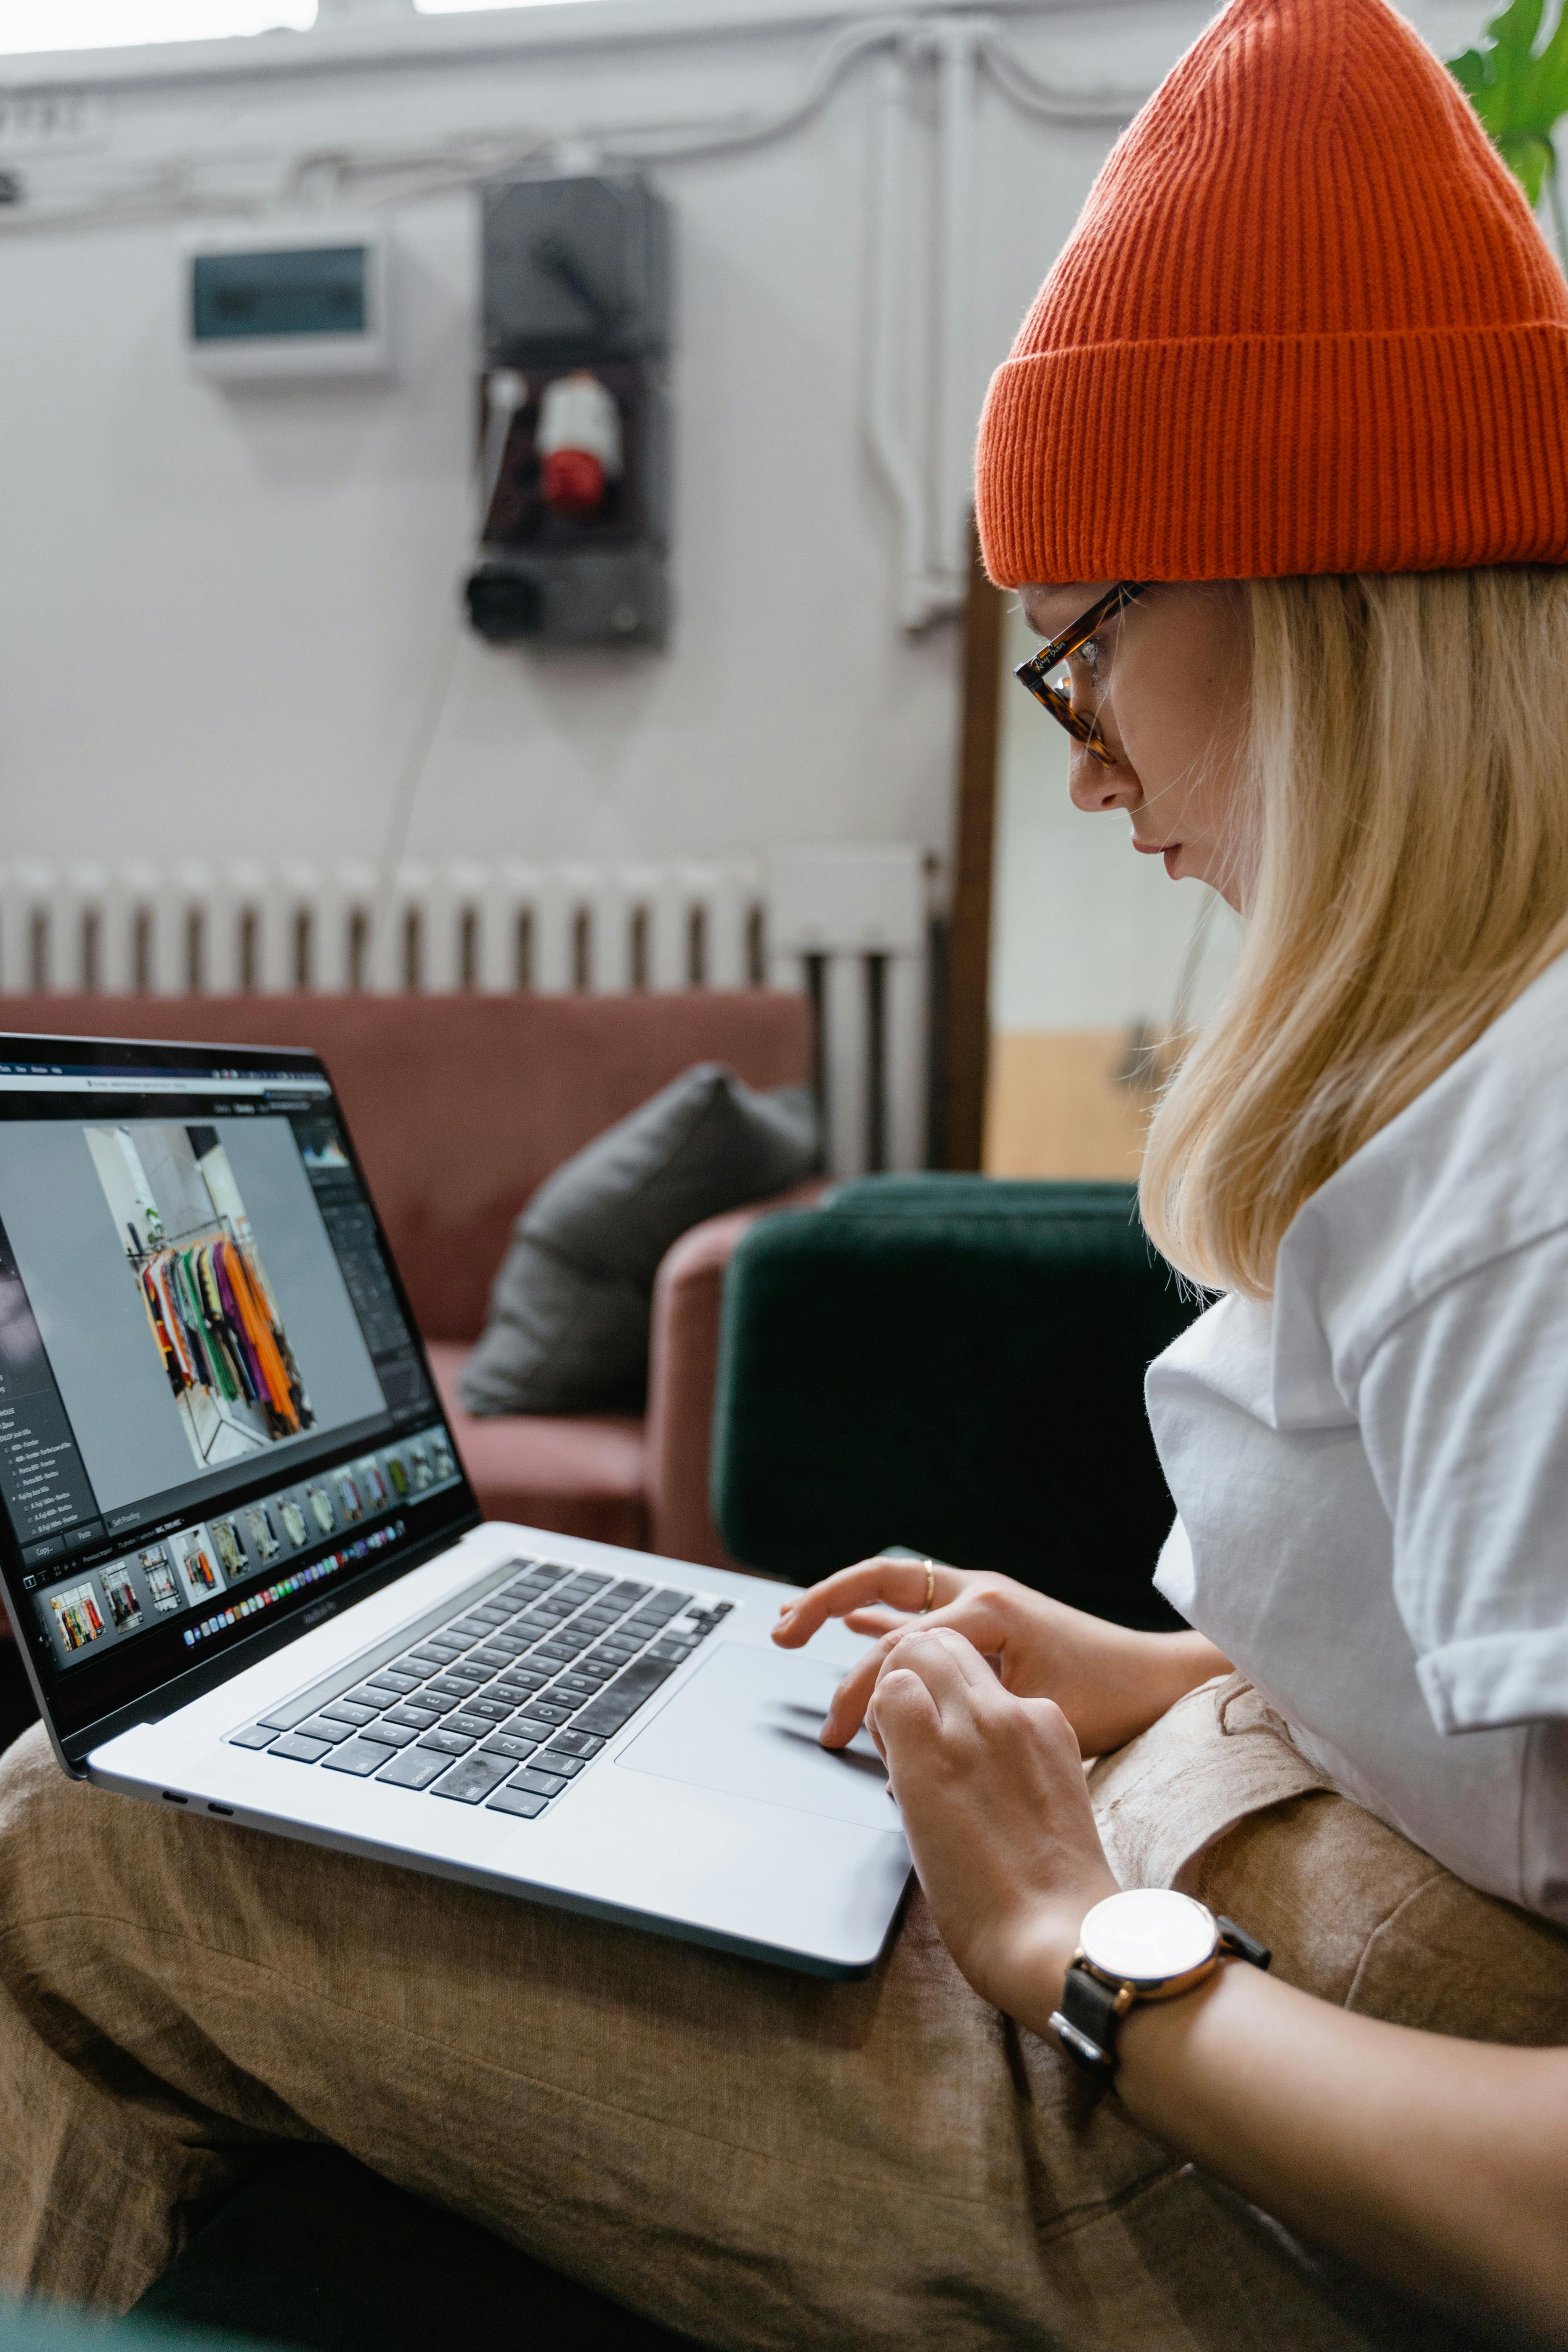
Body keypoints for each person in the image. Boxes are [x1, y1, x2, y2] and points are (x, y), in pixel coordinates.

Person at [3, 0, 1568, 2344]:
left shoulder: (1529, 1173)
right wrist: (1138, 1676)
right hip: (1183, 1943)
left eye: (1086, 652)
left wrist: (1073, 1943)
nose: (1086, 767)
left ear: (1307, 584)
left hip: (1176, 2136)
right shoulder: (1484, 1063)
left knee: (79, 1834)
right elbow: (1502, 1743)